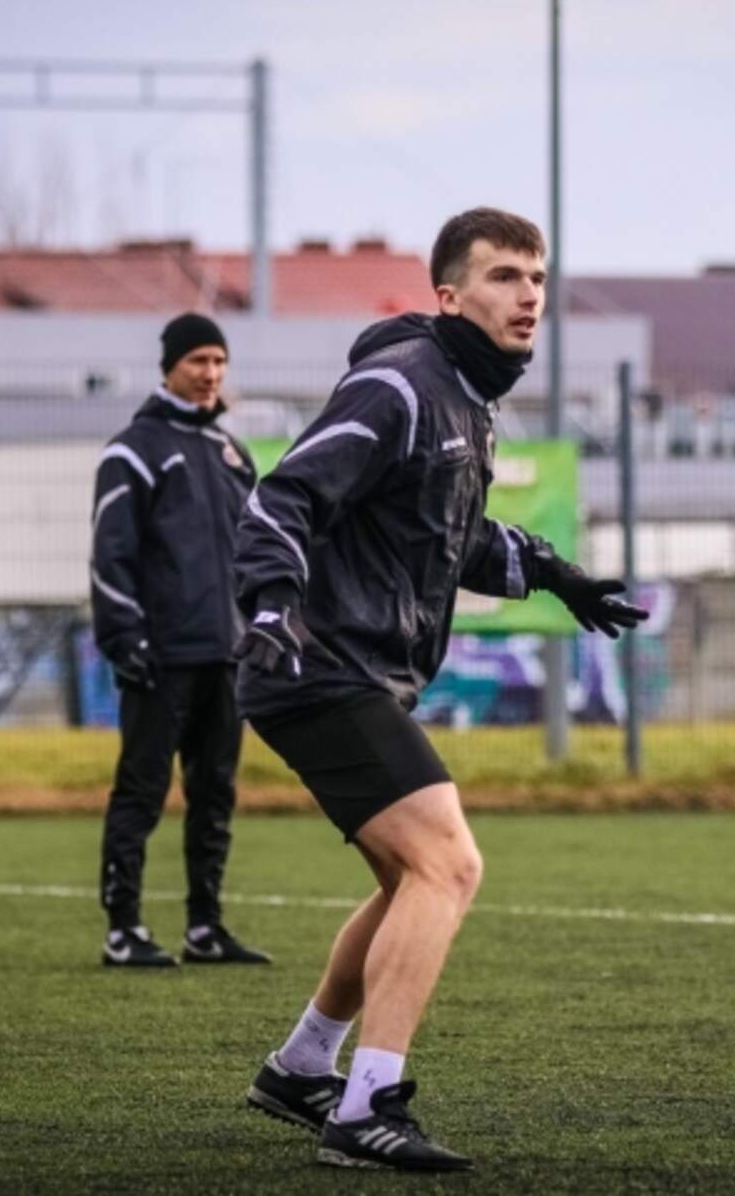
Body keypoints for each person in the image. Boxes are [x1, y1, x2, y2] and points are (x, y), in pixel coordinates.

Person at [232, 208, 647, 1170]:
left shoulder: (466, 399)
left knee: (407, 879)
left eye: (537, 278)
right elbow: (283, 496)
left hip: (357, 671)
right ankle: (365, 1108)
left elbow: (447, 533)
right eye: (505, 277)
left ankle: (302, 1068)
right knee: (449, 866)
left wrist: (553, 573)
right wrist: (271, 606)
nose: (529, 296)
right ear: (450, 296)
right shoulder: (401, 384)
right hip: (315, 665)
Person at [89, 312, 270, 969]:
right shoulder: (132, 451)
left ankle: (205, 928)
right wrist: (124, 637)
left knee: (215, 794)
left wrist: (260, 628)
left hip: (226, 655)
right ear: (169, 367)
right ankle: (123, 930)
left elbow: (256, 554)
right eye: (197, 361)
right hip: (160, 655)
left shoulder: (232, 453)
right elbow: (110, 556)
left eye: (219, 361)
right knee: (141, 790)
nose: (210, 373)